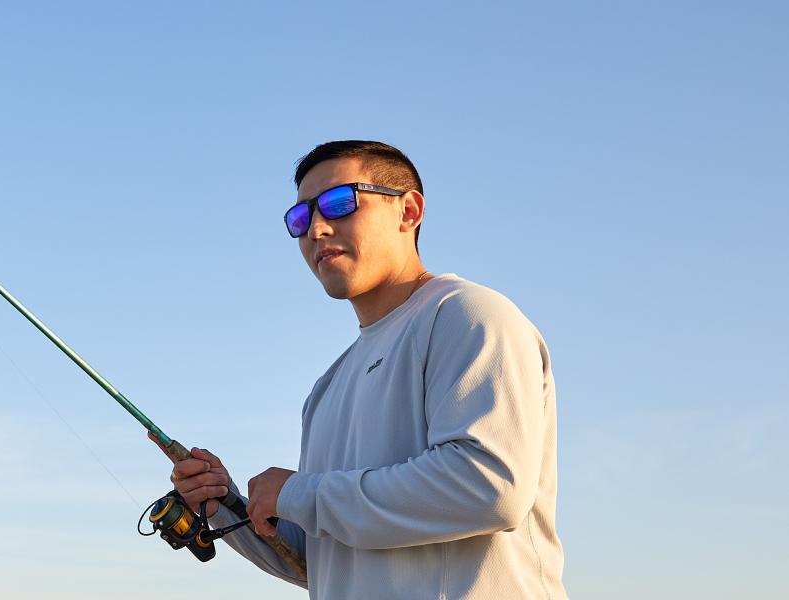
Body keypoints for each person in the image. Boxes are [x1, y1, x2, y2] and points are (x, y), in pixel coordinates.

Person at [164, 141, 566, 598]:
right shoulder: (326, 389)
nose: (316, 229)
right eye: (300, 219)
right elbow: (322, 562)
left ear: (408, 211)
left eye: (339, 203)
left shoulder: (468, 314)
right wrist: (229, 507)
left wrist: (298, 495)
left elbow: (489, 487)